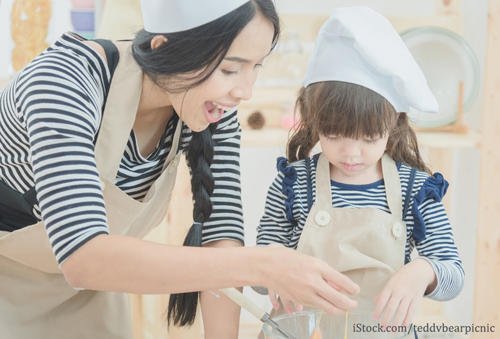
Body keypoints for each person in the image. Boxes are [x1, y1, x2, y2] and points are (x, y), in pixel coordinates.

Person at [0, 1, 360, 338]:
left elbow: (223, 234)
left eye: (256, 67)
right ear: (164, 48)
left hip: (91, 292)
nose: (245, 91)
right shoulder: (63, 81)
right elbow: (83, 255)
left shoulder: (210, 107)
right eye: (230, 68)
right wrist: (264, 264)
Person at [257, 6, 464, 338]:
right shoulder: (293, 183)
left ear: (393, 125)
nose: (351, 153)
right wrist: (273, 266)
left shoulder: (416, 189)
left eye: (369, 137)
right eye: (334, 135)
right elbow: (257, 274)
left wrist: (422, 272)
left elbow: (453, 275)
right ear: (314, 122)